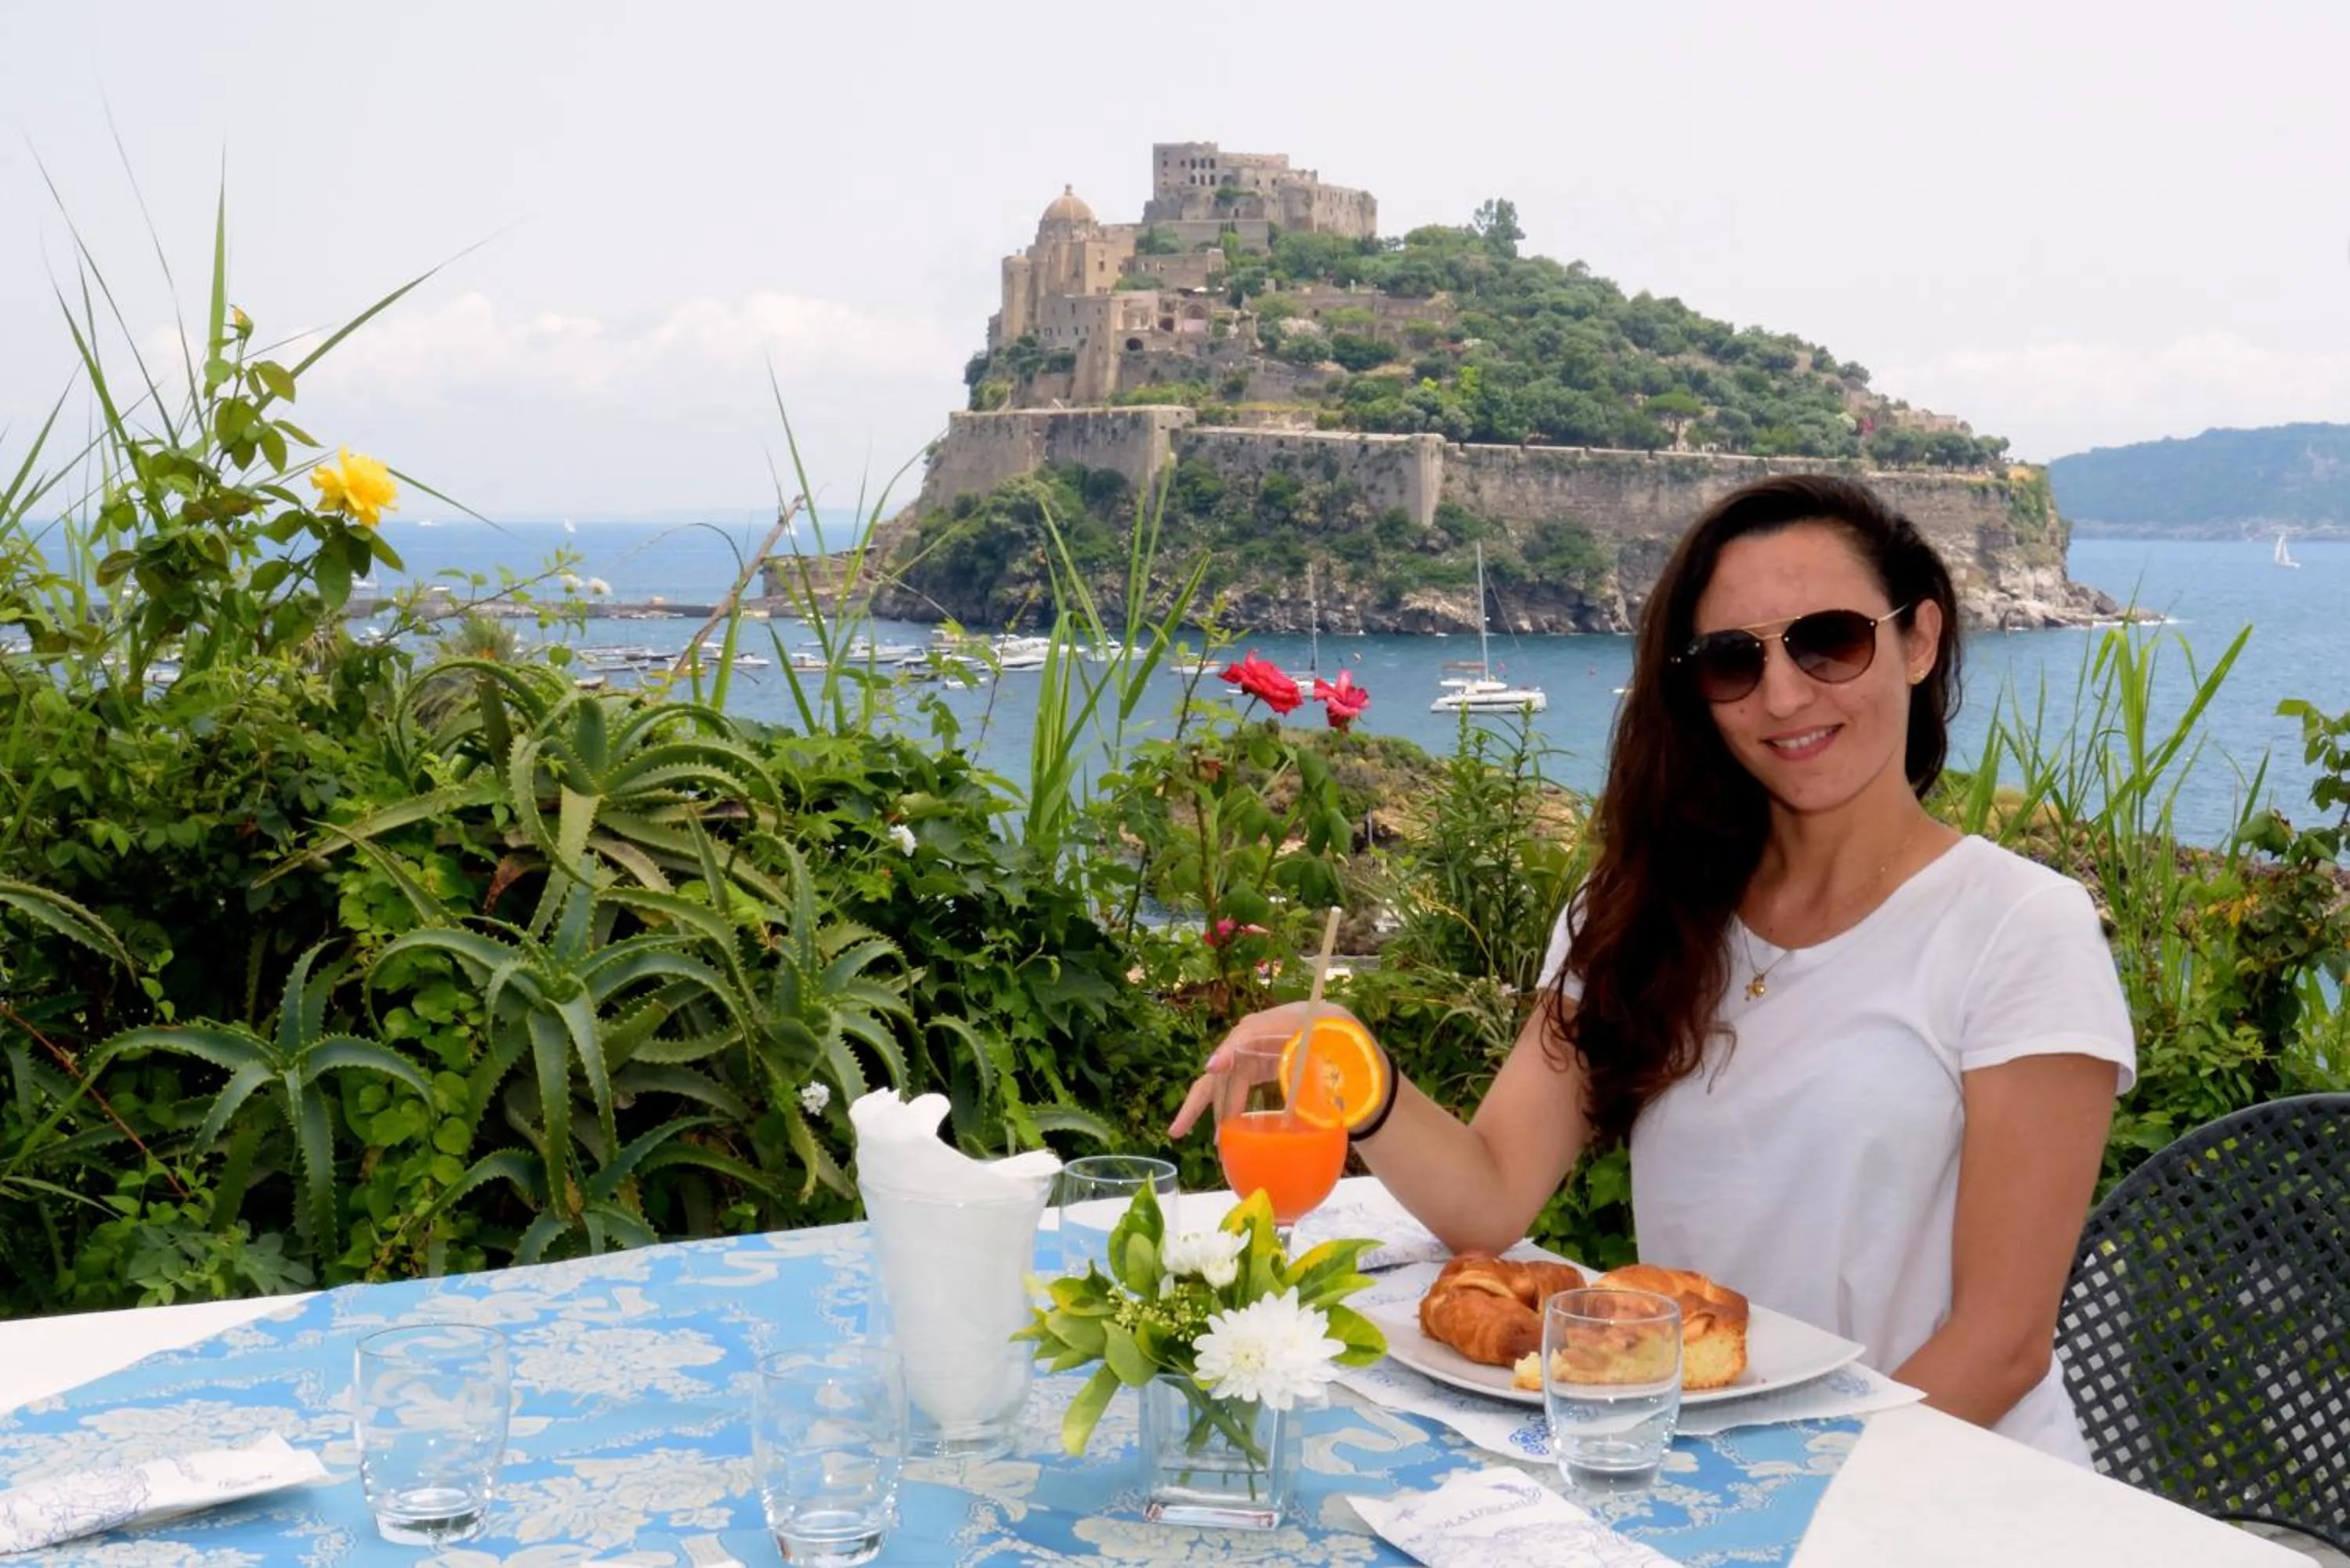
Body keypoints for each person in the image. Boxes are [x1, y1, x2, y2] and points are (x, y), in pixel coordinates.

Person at [1170, 474, 2134, 1463]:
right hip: (1687, 1459)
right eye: (1733, 660)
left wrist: (1800, 1500)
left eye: (1828, 640)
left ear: (1918, 640)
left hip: (1938, 1483)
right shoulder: (1642, 913)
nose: (1783, 694)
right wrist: (1353, 1065)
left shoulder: (2018, 928)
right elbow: (1491, 1196)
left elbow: (2000, 1343)